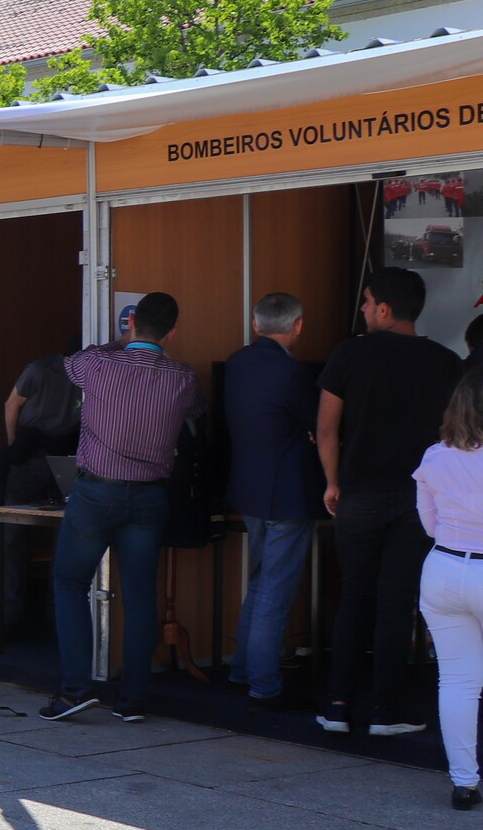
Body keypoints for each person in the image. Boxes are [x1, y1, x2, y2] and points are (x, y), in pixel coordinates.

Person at [40, 292, 205, 723]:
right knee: (139, 597)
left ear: (131, 324)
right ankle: (133, 699)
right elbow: (196, 412)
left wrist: (120, 343)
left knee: (69, 584)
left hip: (97, 492)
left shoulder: (99, 363)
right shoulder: (184, 377)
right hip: (151, 496)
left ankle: (75, 688)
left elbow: (70, 362)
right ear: (173, 332)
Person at [319, 266, 463, 738]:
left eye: (365, 302)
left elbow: (326, 427)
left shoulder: (349, 353)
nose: (362, 309)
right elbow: (454, 435)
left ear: (383, 308)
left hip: (357, 494)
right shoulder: (446, 362)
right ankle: (386, 710)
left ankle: (338, 705)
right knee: (397, 603)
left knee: (355, 598)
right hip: (417, 498)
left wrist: (332, 482)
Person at [223, 293, 322, 711]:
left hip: (248, 490)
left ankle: (242, 669)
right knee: (273, 592)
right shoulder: (294, 374)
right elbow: (322, 425)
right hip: (288, 493)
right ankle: (264, 684)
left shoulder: (236, 364)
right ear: (297, 326)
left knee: (261, 583)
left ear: (255, 322)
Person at [416, 366, 483, 810]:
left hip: (442, 566)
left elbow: (429, 523)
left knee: (457, 682)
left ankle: (464, 783)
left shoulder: (434, 456)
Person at [0, 344, 83, 630]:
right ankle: (7, 619)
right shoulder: (39, 369)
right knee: (13, 537)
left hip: (66, 455)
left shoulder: (88, 374)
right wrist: (15, 447)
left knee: (63, 541)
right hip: (31, 454)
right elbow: (12, 404)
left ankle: (54, 620)